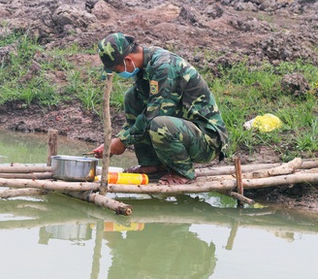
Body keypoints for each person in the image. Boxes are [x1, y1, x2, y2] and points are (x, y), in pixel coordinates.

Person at [92, 32, 228, 185]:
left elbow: (154, 115)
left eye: (117, 70)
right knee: (132, 97)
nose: (118, 74)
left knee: (159, 124)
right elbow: (140, 119)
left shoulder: (164, 67)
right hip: (182, 130)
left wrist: (123, 141)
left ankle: (182, 172)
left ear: (128, 60)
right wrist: (115, 141)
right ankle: (152, 164)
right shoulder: (144, 68)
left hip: (206, 141)